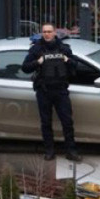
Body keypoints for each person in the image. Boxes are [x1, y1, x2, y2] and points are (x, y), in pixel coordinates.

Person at [22, 23, 79, 162]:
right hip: (44, 91)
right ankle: (49, 151)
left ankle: (71, 151)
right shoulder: (36, 49)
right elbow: (25, 67)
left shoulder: (64, 48)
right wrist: (38, 62)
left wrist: (68, 60)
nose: (47, 34)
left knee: (67, 122)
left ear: (55, 33)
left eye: (49, 31)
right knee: (46, 123)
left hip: (61, 91)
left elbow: (76, 65)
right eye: (44, 32)